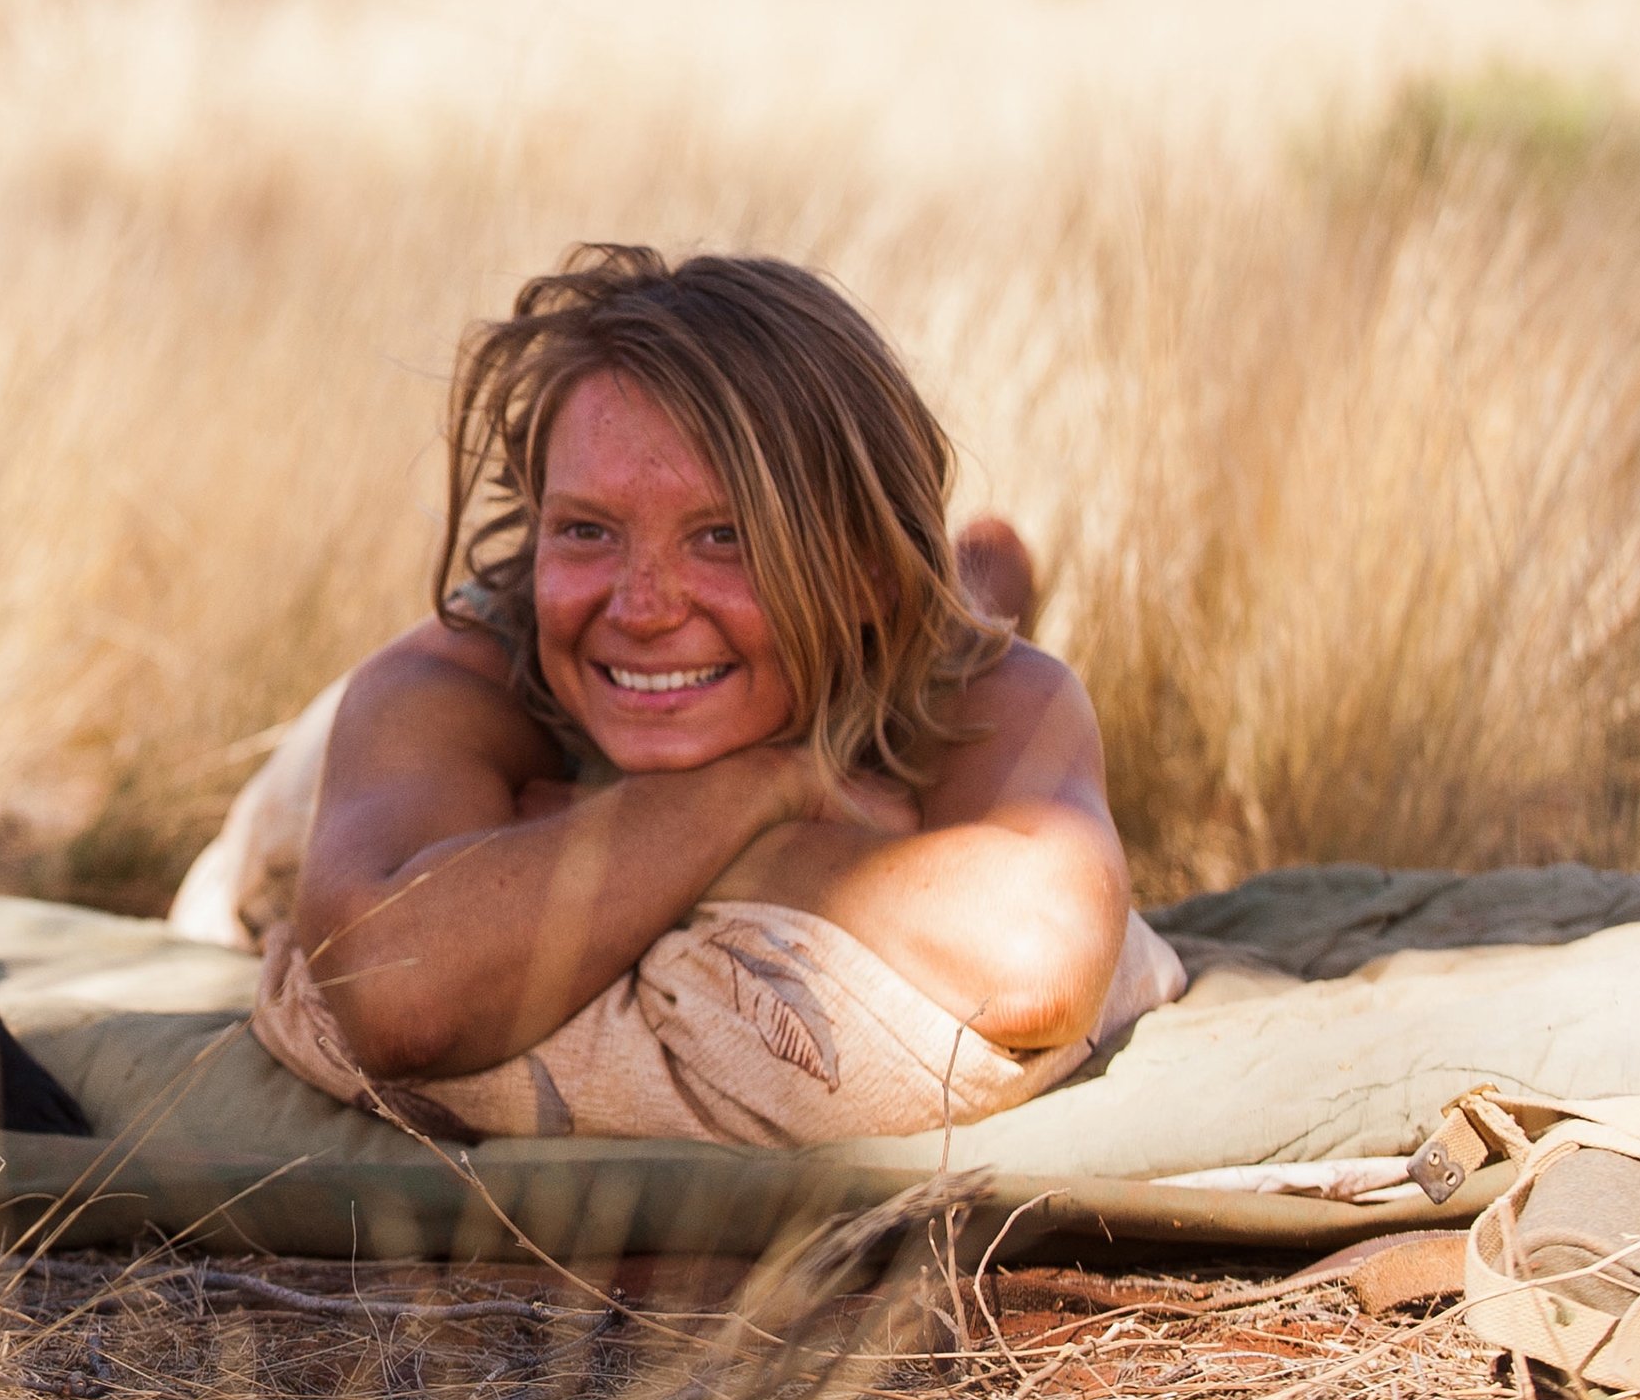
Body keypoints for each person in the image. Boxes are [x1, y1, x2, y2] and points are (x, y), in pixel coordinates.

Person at [239, 244, 1184, 1147]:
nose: (643, 606)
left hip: (874, 654)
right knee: (255, 852)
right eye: (584, 530)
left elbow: (1035, 965)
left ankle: (987, 573)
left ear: (866, 572)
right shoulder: (446, 684)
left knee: (971, 618)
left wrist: (673, 837)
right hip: (311, 788)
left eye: (723, 536)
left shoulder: (987, 684)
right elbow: (395, 994)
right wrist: (761, 792)